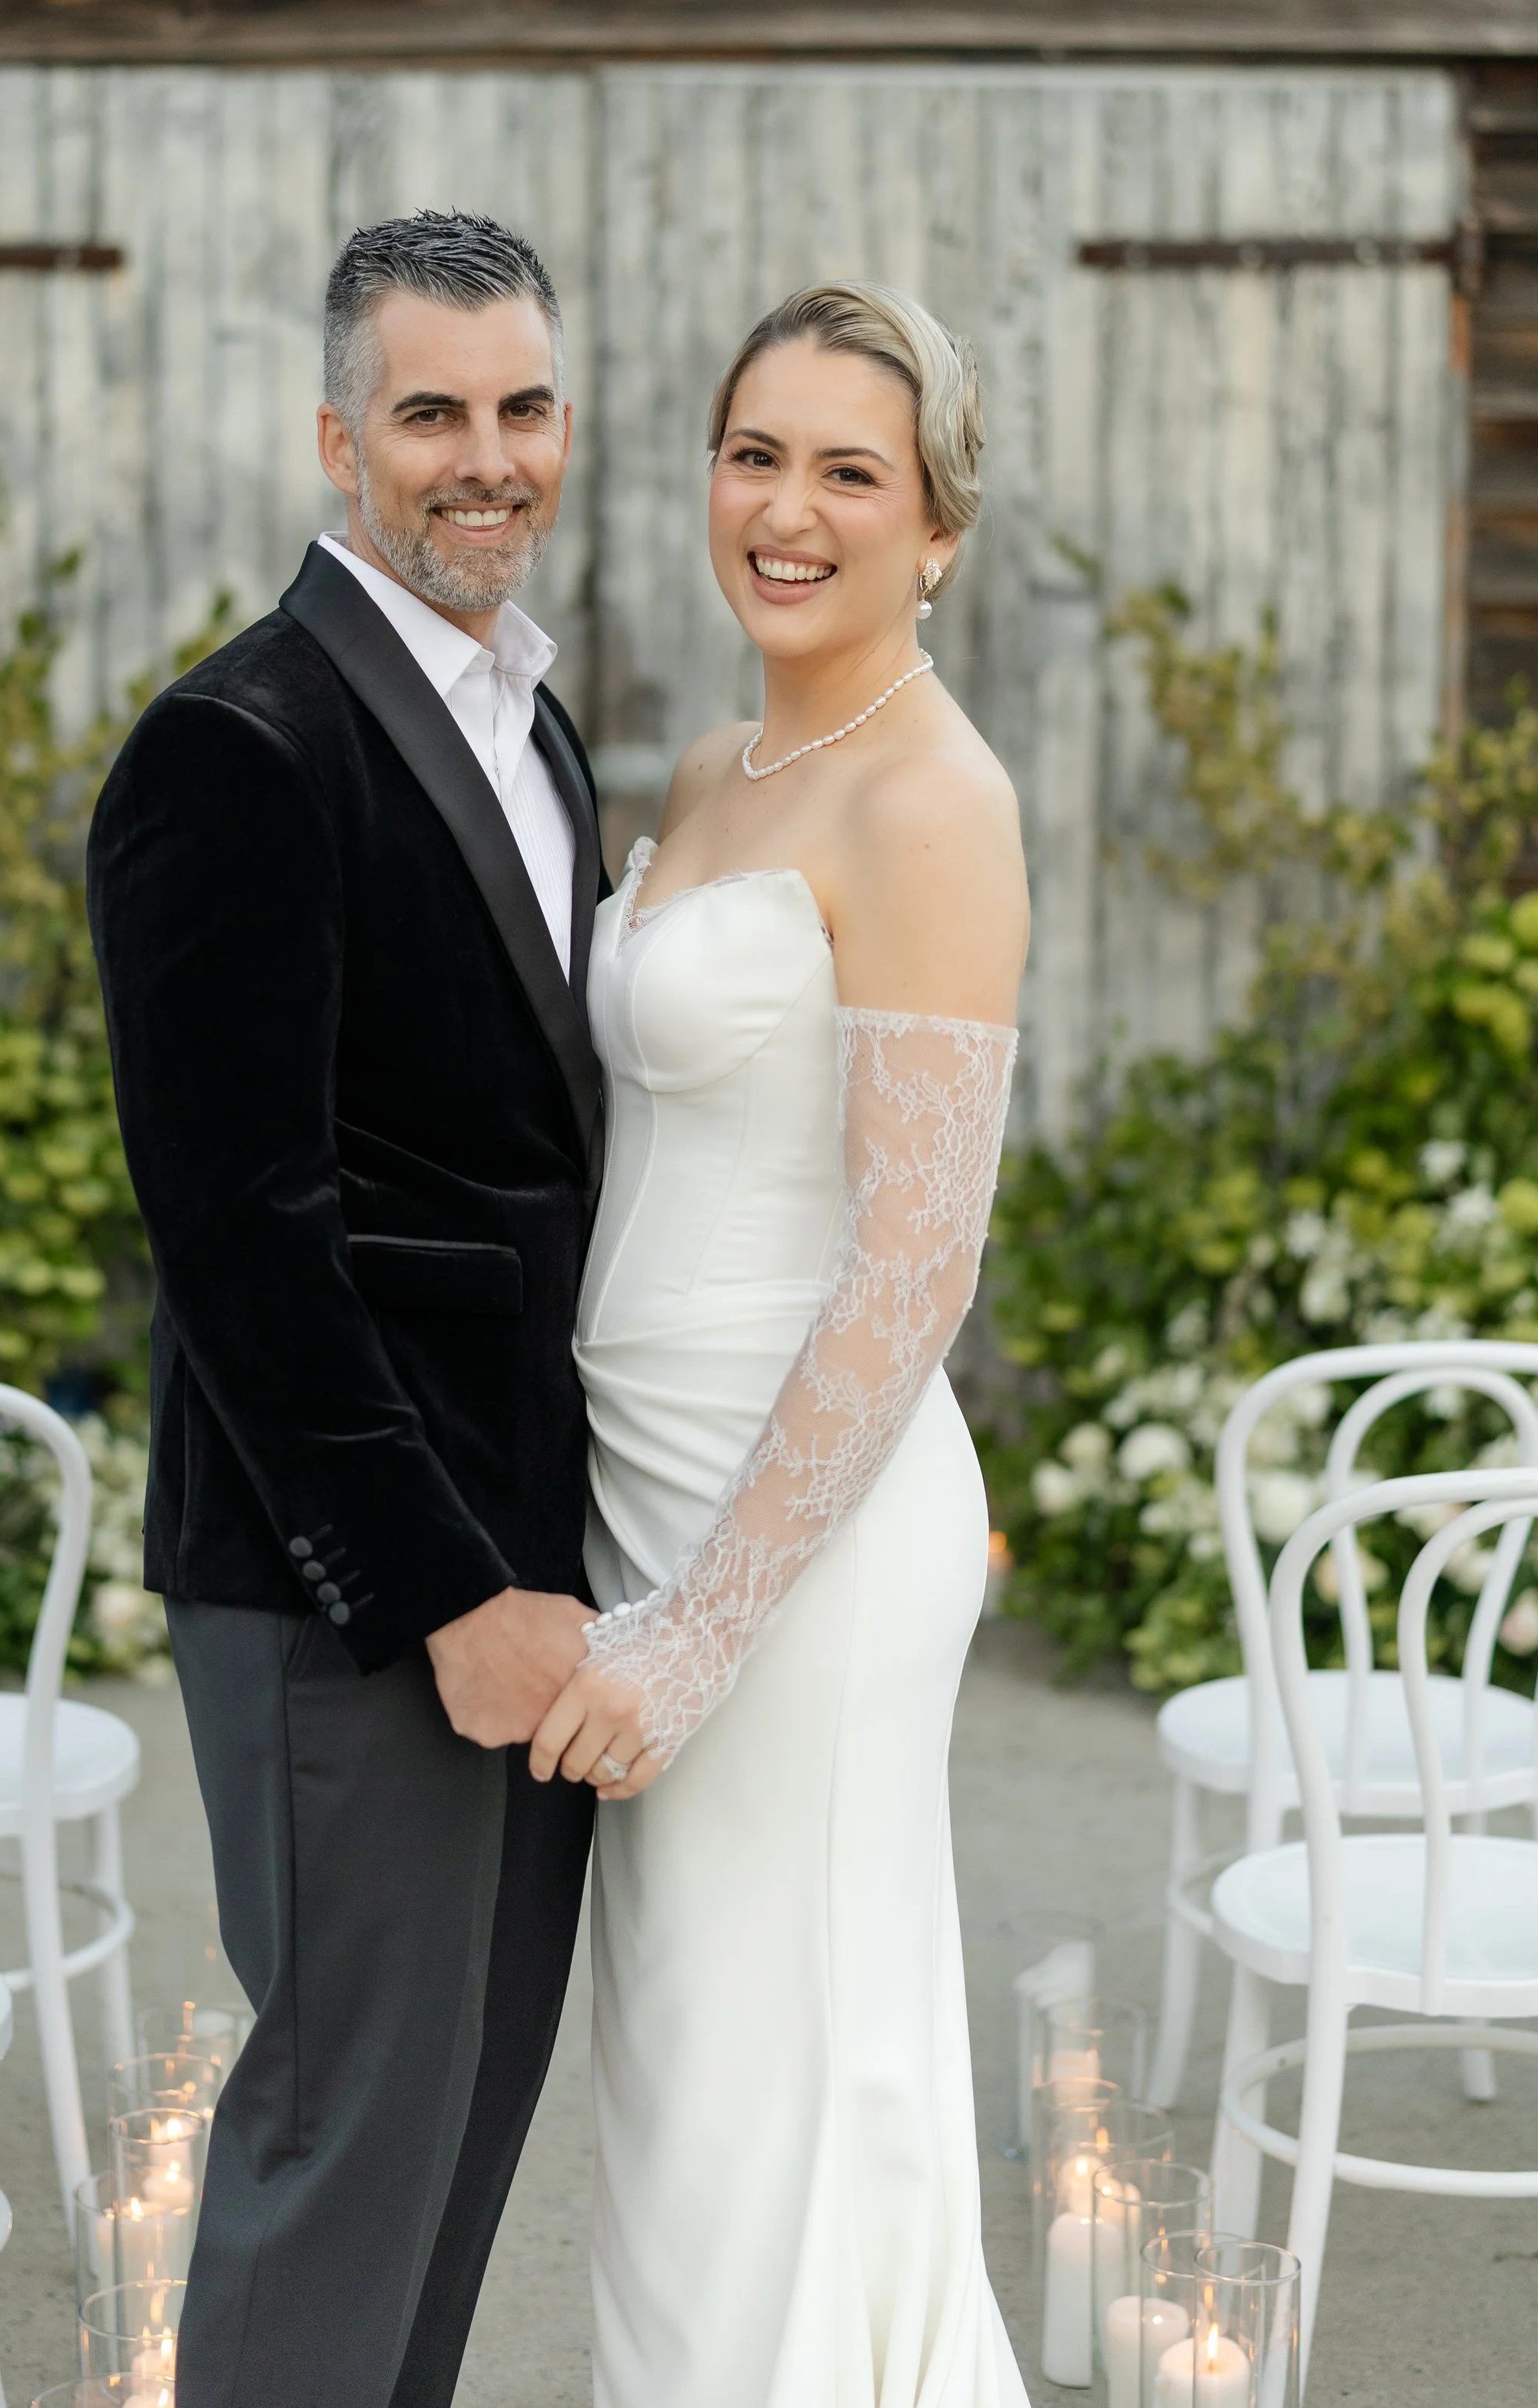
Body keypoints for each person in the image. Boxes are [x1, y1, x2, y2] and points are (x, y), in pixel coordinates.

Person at [88, 211, 604, 2408]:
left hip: (539, 1566)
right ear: (337, 436)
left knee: (454, 2140)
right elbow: (241, 1242)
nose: (481, 459)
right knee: (339, 2143)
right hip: (354, 1595)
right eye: (429, 412)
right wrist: (437, 1593)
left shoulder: (529, 712)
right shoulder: (241, 743)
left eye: (519, 408)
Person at [531, 284, 1032, 2405]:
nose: (789, 508)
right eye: (756, 453)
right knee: (686, 2094)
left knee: (786, 2090)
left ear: (935, 532)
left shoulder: (929, 797)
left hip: (797, 1550)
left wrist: (701, 1625)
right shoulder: (717, 760)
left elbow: (913, 1267)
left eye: (851, 471)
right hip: (642, 1493)